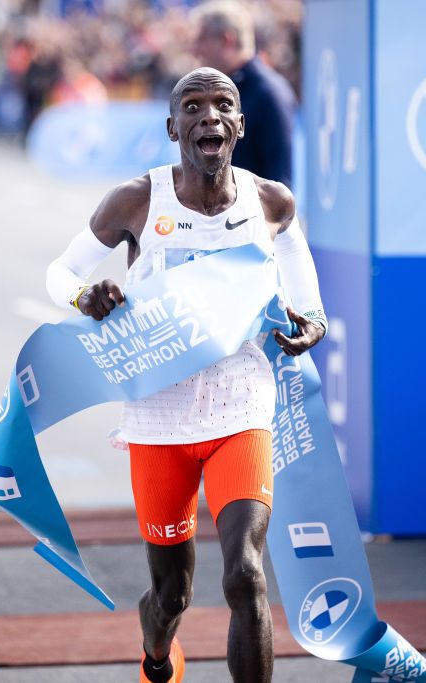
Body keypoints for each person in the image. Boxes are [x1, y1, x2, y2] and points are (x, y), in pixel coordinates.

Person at [45, 67, 327, 683]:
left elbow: (310, 304)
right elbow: (60, 274)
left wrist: (312, 327)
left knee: (246, 573)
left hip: (241, 407)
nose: (209, 117)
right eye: (193, 107)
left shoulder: (271, 202)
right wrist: (84, 296)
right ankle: (155, 655)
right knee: (171, 593)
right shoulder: (137, 201)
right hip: (158, 416)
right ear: (174, 127)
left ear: (240, 125)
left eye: (222, 105)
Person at [192, 1, 298, 188]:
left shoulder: (268, 92)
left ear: (226, 40)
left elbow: (280, 182)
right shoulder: (226, 89)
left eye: (202, 39)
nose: (195, 50)